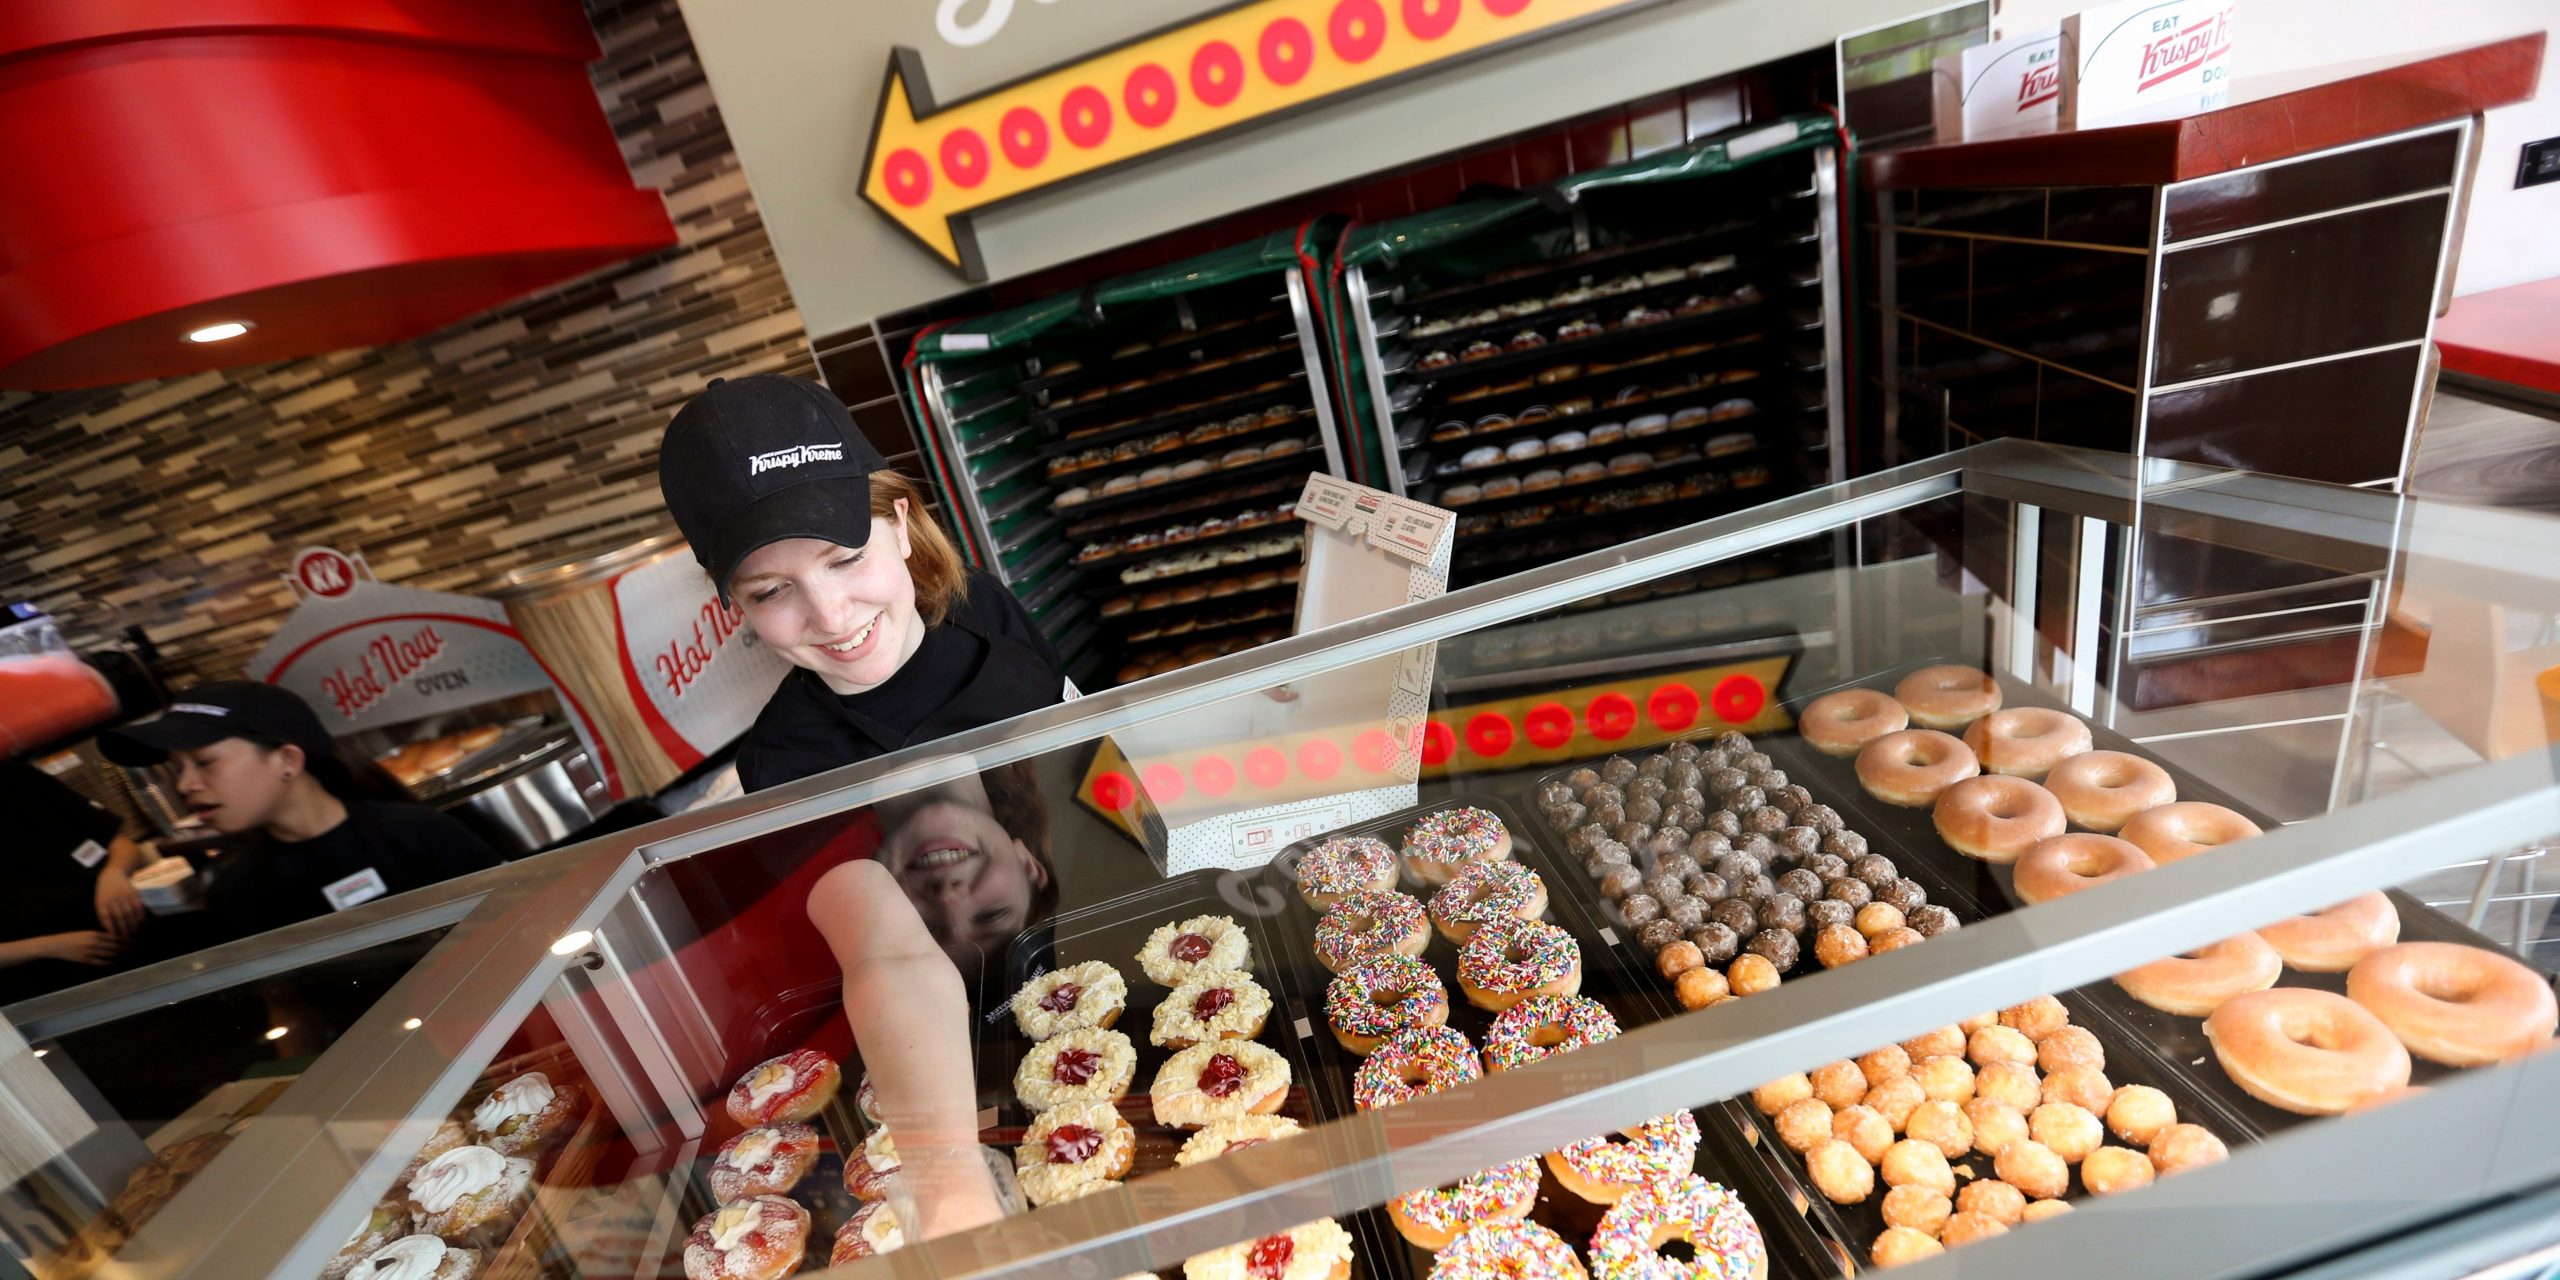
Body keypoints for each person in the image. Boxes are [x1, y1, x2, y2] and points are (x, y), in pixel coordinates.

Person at [656, 375, 1069, 793]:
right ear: (737, 605)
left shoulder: (979, 602)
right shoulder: (782, 771)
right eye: (771, 591)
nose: (832, 618)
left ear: (901, 526)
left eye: (847, 558)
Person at [99, 682, 504, 940]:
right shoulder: (235, 889)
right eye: (176, 769)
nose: (185, 784)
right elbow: (291, 1008)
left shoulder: (421, 834)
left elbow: (519, 931)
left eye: (204, 762)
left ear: (288, 760)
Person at [0, 756, 149, 1002]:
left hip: (133, 947)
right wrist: (51, 946)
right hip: (44, 990)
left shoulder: (15, 777)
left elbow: (120, 844)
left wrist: (114, 873)